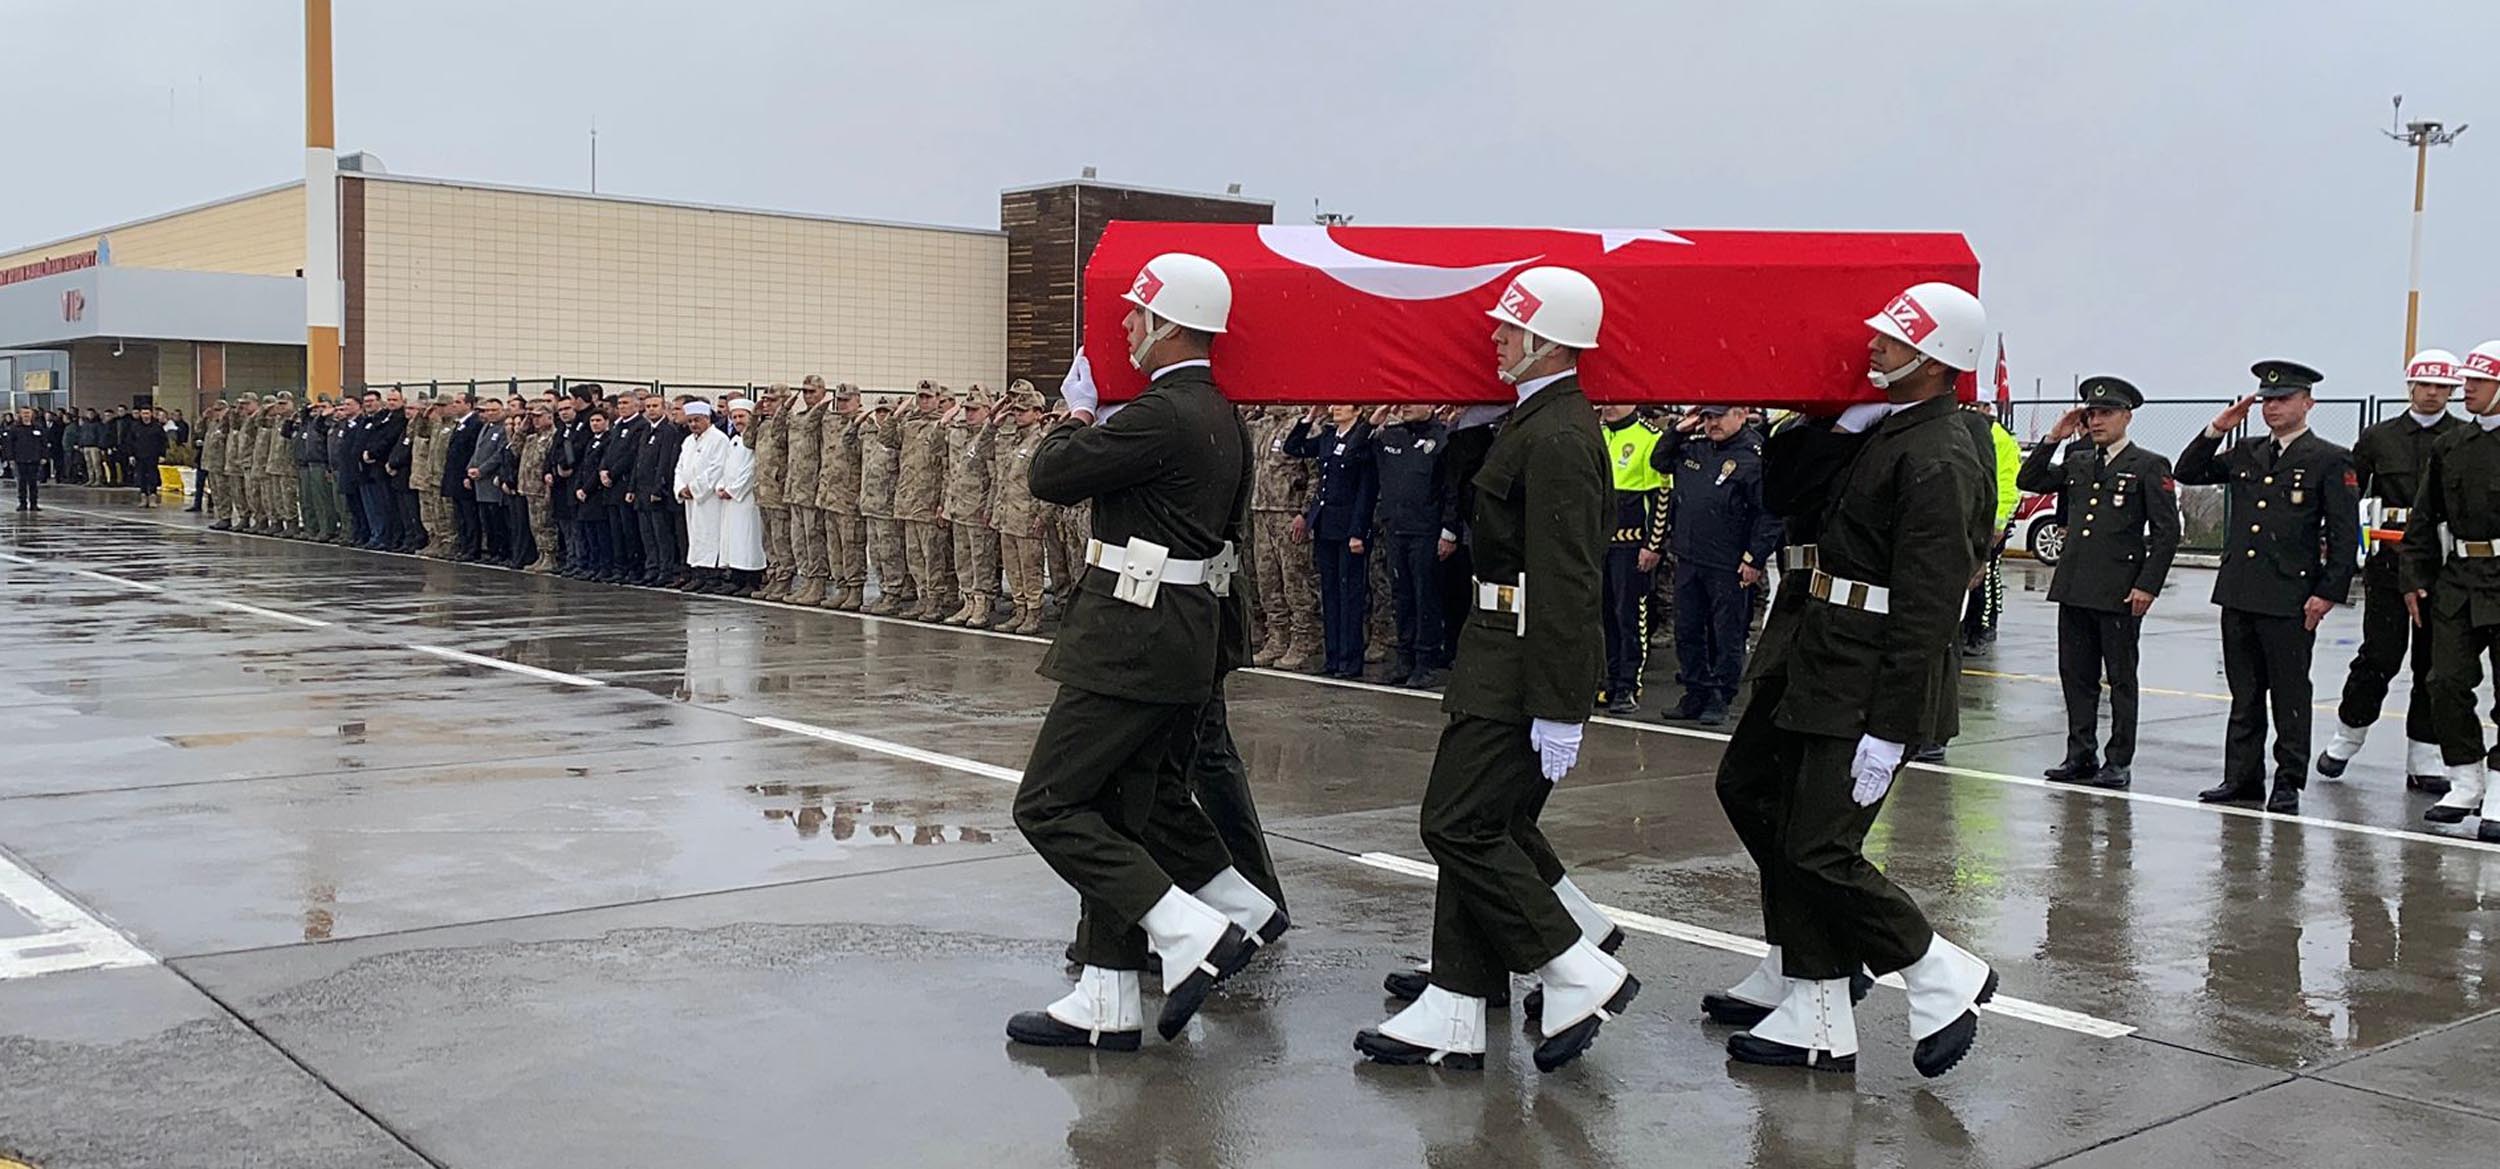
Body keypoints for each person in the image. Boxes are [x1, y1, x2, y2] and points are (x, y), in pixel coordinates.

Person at [1713, 282, 2000, 1079]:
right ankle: (1819, 1002)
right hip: (1829, 654)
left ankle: (1937, 968)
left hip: (1870, 673)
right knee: (1780, 815)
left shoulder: (1940, 451)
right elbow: (1793, 495)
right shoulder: (1891, 430)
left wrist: (1891, 724)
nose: (1872, 345)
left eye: (1893, 339)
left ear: (1935, 360)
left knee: (1817, 846)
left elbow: (1931, 603)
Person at [1358, 266, 1632, 1074]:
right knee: (1475, 821)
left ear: (1552, 342)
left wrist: (1560, 702)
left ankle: (1574, 963)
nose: (1497, 338)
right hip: (1498, 650)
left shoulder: (1561, 436)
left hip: (1521, 661)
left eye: (1513, 328)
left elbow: (1569, 579)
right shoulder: (1531, 421)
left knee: (1457, 823)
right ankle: (1458, 1001)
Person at [1007, 252, 1279, 1053]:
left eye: (1139, 313)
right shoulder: (1219, 414)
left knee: (1049, 804)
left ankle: (1191, 926)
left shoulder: (1161, 414)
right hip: (1180, 636)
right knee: (1120, 807)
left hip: (1132, 637)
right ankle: (1109, 991)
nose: (1126, 325)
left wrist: (1077, 411)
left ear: (1171, 326)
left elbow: (1050, 473)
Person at [2174, 361, 2361, 815]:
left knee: (2289, 693)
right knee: (2245, 693)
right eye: (2266, 400)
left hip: (2290, 596)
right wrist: (2218, 428)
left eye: (2282, 399)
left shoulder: (2328, 459)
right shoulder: (2248, 451)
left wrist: (2327, 593)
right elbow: (2188, 471)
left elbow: (2343, 533)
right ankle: (2242, 777)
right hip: (2240, 589)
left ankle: (2288, 781)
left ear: (2307, 403)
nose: (2272, 407)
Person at [2017, 377, 2183, 790]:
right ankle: (2080, 754)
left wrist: (2148, 585)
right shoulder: (2078, 459)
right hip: (2075, 585)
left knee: (2121, 679)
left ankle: (2118, 760)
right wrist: (2054, 437)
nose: (2096, 421)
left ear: (2126, 417)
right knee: (2076, 676)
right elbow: (2029, 480)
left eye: (2106, 413)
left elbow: (2167, 533)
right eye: (2091, 413)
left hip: (2119, 590)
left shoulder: (2148, 465)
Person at [2318, 351, 2464, 791]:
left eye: (2443, 387)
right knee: (2379, 655)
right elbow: (2349, 496)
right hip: (2389, 563)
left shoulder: (2463, 437)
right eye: (2426, 385)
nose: (2433, 393)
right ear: (2410, 387)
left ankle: (2424, 756)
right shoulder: (2378, 437)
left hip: (2443, 565)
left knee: (2434, 664)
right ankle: (2348, 735)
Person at [2405, 341, 2500, 832]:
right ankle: (2466, 779)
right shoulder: (2452, 445)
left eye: (2479, 381)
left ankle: (2499, 789)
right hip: (2459, 579)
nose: (2467, 389)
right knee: (2443, 682)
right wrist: (2414, 577)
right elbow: (2425, 516)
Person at [1653, 404, 1780, 726]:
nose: (1712, 423)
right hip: (1690, 556)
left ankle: (1721, 696)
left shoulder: (1754, 456)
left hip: (1728, 562)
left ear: (1741, 414)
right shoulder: (1696, 447)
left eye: (1719, 416)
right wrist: (1677, 430)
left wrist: (1754, 557)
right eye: (1707, 417)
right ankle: (1695, 691)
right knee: (1687, 630)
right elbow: (1659, 461)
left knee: (1726, 635)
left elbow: (1769, 514)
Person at [1286, 405, 1377, 678]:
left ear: (1357, 410)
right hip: (1325, 525)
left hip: (1349, 526)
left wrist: (1358, 531)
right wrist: (1309, 418)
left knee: (1350, 594)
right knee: (1330, 592)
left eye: (1342, 404)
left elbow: (1365, 490)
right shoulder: (1328, 436)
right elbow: (1294, 447)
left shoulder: (1363, 439)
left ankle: (1350, 659)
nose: (1335, 408)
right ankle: (1333, 656)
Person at [1592, 402, 1669, 713]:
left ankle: (1628, 685)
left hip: (1631, 544)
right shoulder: (1596, 433)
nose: (1609, 406)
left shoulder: (1649, 437)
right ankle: (1608, 680)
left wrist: (1653, 544)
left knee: (1630, 617)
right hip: (1599, 544)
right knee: (1602, 616)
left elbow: (1661, 496)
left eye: (1617, 400)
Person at [1369, 403, 1453, 688]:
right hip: (1396, 528)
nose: (1404, 406)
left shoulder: (1441, 438)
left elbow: (1449, 488)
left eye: (1411, 400)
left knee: (1425, 596)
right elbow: (1357, 453)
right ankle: (1404, 658)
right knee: (1401, 596)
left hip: (1426, 530)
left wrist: (1449, 531)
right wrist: (1373, 423)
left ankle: (1426, 662)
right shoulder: (1392, 436)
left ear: (1429, 404)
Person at [989, 381, 1053, 634]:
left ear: (1038, 413)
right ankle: (1020, 610)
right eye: (1015, 410)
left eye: (1023, 411)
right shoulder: (1011, 440)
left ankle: (1034, 613)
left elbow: (1047, 481)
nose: (1017, 415)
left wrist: (1043, 514)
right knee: (1013, 569)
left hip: (1028, 516)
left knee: (1031, 569)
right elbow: (1001, 478)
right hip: (1008, 516)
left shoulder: (1042, 441)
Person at [896, 381, 959, 621]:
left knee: (933, 557)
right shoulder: (910, 424)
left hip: (929, 503)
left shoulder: (945, 427)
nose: (924, 401)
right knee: (914, 556)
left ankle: (935, 601)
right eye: (920, 397)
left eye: (928, 397)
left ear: (937, 399)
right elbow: (886, 438)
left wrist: (943, 503)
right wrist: (899, 413)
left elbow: (947, 469)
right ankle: (922, 598)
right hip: (909, 502)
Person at [941, 386, 1004, 626]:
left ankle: (981, 604)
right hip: (959, 507)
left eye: (974, 410)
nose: (969, 414)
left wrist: (989, 508)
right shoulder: (958, 433)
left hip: (978, 509)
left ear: (987, 410)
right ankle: (967, 602)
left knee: (982, 560)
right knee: (963, 560)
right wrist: (946, 504)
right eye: (966, 409)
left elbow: (995, 477)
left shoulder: (993, 436)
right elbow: (948, 470)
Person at [1960, 409, 2021, 654]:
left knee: (1985, 575)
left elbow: (2006, 481)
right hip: (1972, 515)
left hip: (1990, 519)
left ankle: (1982, 628)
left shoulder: (1997, 435)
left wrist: (1998, 523)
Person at [815, 383, 870, 611]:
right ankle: (842, 587)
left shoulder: (864, 424)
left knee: (852, 546)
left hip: (849, 496)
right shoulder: (830, 421)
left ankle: (855, 590)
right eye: (839, 400)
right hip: (829, 495)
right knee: (834, 547)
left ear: (858, 399)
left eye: (847, 400)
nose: (842, 404)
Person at [860, 393, 916, 616]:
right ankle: (884, 591)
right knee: (875, 553)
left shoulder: (898, 436)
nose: (882, 415)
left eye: (887, 412)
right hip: (870, 503)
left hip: (888, 505)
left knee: (890, 553)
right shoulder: (869, 435)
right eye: (880, 411)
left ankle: (894, 594)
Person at [781, 377, 833, 605]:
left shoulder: (827, 419)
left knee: (814, 539)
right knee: (799, 541)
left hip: (813, 489)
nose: (807, 395)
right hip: (795, 488)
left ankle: (818, 583)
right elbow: (777, 433)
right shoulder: (798, 418)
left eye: (812, 391)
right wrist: (786, 406)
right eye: (804, 392)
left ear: (823, 392)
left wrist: (823, 406)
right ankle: (807, 581)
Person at [629, 393, 687, 586]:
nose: (651, 410)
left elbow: (665, 462)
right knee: (647, 534)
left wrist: (658, 489)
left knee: (661, 534)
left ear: (663, 408)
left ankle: (665, 569)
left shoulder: (668, 431)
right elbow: (639, 460)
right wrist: (632, 487)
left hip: (656, 491)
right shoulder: (647, 430)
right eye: (648, 406)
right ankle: (652, 567)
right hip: (641, 489)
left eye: (655, 406)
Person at [675, 401, 733, 590]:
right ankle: (698, 573)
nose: (693, 424)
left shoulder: (719, 439)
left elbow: (716, 468)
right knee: (695, 535)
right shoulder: (688, 441)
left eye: (697, 420)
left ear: (707, 419)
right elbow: (680, 467)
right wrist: (681, 488)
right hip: (691, 499)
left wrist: (694, 488)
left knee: (710, 534)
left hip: (709, 498)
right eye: (690, 421)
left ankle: (712, 576)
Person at [752, 385, 796, 600]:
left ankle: (784, 579)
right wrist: (754, 417)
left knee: (781, 539)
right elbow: (748, 441)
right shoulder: (764, 425)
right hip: (763, 490)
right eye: (765, 400)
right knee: (768, 540)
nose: (766, 404)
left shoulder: (789, 423)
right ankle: (773, 576)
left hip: (778, 490)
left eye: (772, 400)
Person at [518, 403, 559, 572]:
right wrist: (522, 429)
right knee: (535, 524)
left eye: (539, 417)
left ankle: (550, 556)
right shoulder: (531, 438)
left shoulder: (554, 437)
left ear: (549, 417)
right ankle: (541, 554)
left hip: (543, 488)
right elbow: (515, 449)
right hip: (529, 487)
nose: (535, 420)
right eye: (533, 417)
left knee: (545, 523)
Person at [5, 408, 47, 511]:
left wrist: (44, 456)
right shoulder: (15, 429)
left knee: (33, 483)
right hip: (20, 460)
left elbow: (44, 443)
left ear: (32, 414)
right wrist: (10, 458)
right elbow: (9, 445)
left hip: (34, 459)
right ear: (20, 415)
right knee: (21, 483)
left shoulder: (38, 427)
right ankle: (22, 503)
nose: (26, 415)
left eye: (28, 413)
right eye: (24, 413)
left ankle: (34, 503)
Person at [129, 405, 170, 508]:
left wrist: (162, 454)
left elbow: (163, 442)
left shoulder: (157, 427)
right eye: (143, 413)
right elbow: (130, 442)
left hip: (153, 456)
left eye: (147, 413)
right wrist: (131, 455)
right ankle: (143, 497)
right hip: (139, 456)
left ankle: (152, 497)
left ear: (151, 414)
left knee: (153, 477)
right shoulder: (135, 427)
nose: (145, 416)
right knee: (141, 477)